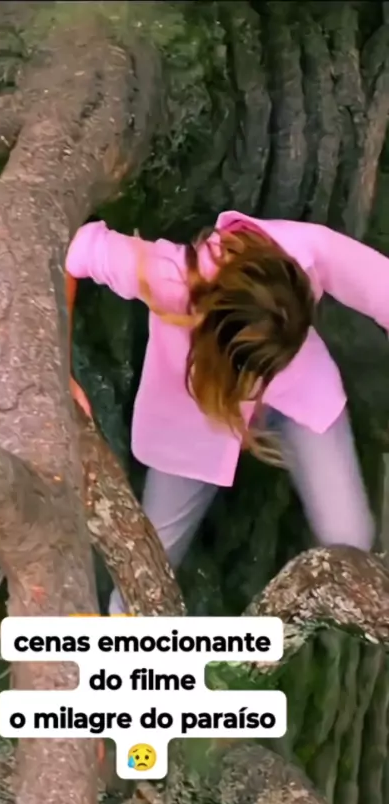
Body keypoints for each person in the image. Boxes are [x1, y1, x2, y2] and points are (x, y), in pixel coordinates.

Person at [66, 210, 389, 614]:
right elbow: (75, 251)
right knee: (142, 576)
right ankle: (119, 649)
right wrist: (58, 366)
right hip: (195, 425)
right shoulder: (168, 276)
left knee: (351, 543)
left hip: (300, 399)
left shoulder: (304, 251)